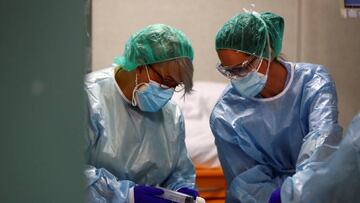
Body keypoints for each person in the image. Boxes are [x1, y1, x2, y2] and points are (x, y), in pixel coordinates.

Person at [209, 11, 343, 203]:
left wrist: (294, 193)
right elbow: (245, 182)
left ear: (267, 52)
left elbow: (321, 146)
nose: (236, 77)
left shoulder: (314, 82)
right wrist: (276, 198)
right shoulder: (225, 114)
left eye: (243, 68)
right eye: (228, 71)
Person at [84, 24, 200, 203]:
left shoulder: (171, 114)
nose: (168, 91)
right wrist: (124, 195)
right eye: (166, 80)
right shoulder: (88, 98)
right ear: (140, 64)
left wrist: (181, 190)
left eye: (175, 85)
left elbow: (179, 171)